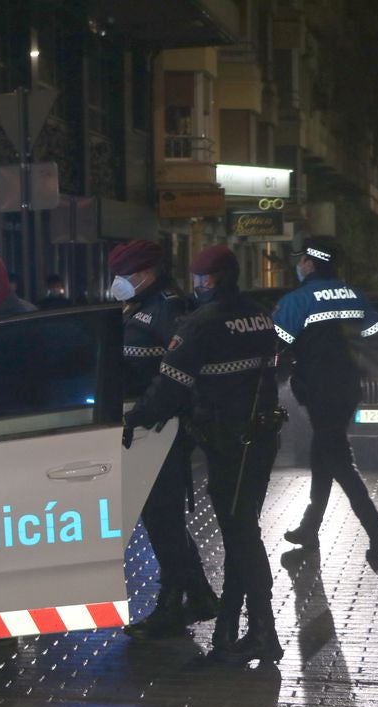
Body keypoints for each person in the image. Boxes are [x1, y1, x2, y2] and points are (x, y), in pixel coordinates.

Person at [124, 245, 285, 663]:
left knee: (241, 535)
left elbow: (168, 388)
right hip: (263, 437)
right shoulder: (259, 314)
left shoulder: (199, 325)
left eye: (199, 280)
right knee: (240, 529)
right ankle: (230, 629)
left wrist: (131, 418)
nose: (195, 287)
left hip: (228, 441)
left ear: (208, 281)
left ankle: (264, 632)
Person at [109, 240, 219, 640]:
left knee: (161, 518)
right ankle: (201, 594)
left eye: (125, 275)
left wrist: (146, 415)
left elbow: (176, 373)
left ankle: (172, 604)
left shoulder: (167, 308)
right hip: (146, 425)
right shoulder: (140, 305)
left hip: (160, 428)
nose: (118, 282)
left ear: (147, 273)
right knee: (161, 518)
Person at [273, 236, 378, 562]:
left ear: (310, 264)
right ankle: (309, 529)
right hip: (349, 389)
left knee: (339, 462)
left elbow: (276, 344)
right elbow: (376, 334)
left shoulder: (298, 300)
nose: (299, 265)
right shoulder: (354, 294)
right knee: (322, 457)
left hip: (319, 391)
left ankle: (377, 533)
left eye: (301, 260)